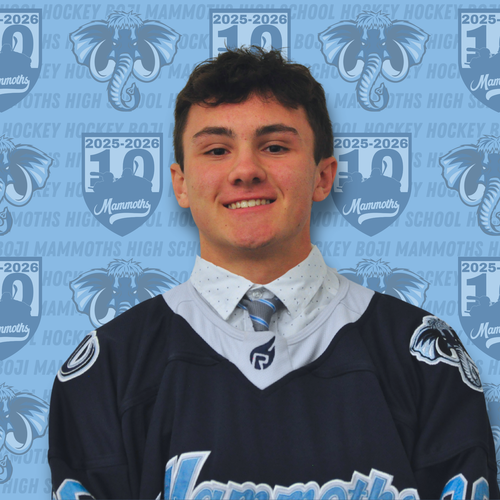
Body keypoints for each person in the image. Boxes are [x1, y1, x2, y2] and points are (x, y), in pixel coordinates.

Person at [49, 47, 500, 500]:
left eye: (275, 147)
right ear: (180, 183)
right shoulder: (108, 368)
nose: (246, 170)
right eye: (217, 150)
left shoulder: (422, 355)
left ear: (323, 176)